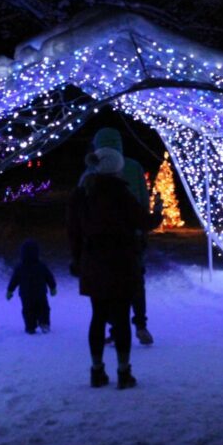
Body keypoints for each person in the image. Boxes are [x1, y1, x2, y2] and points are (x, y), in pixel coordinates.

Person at [68, 143, 158, 389]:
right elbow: (143, 221)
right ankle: (123, 371)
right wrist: (157, 213)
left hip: (94, 264)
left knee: (98, 316)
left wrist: (78, 260)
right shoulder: (121, 194)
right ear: (115, 169)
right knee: (120, 318)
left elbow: (74, 232)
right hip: (121, 264)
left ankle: (97, 371)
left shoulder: (82, 195)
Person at [78, 127, 156, 346]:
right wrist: (143, 227)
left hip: (101, 243)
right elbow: (142, 199)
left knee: (109, 286)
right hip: (132, 238)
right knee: (136, 281)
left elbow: (80, 209)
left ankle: (114, 328)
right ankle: (140, 324)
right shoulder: (133, 167)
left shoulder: (90, 173)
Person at [6, 239, 57, 334]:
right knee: (43, 309)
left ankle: (30, 327)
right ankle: (44, 323)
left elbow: (14, 280)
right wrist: (53, 287)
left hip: (26, 294)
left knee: (28, 310)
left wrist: (10, 291)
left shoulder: (20, 267)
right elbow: (49, 277)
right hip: (40, 293)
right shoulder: (41, 266)